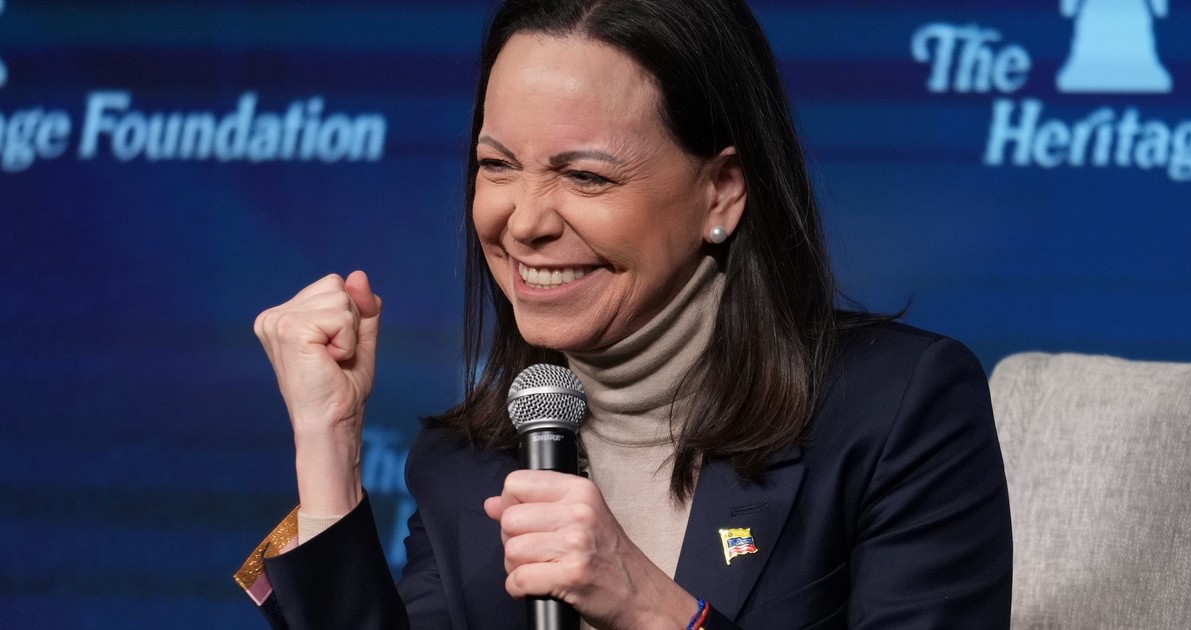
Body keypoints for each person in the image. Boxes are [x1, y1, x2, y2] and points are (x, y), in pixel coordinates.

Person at [234, 0, 1013, 628]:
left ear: (721, 191)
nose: (525, 221)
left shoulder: (897, 409)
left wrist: (652, 609)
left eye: (585, 176)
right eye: (497, 165)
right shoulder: (465, 463)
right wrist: (329, 445)